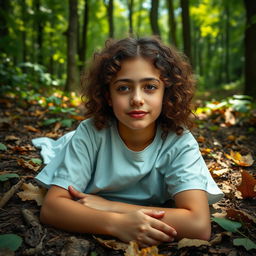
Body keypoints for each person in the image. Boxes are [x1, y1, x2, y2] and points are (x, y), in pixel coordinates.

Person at [34, 36, 223, 248]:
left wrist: (112, 207)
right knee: (63, 144)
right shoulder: (90, 132)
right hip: (82, 142)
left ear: (166, 93)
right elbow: (52, 208)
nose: (137, 99)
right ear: (108, 96)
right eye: (124, 88)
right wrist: (116, 224)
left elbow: (198, 225)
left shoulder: (179, 141)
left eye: (150, 87)